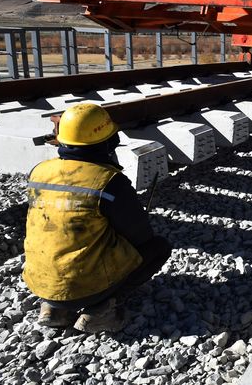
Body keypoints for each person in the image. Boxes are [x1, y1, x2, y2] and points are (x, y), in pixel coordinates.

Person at [24, 103, 172, 333]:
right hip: (85, 287)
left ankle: (53, 308)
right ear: (107, 142)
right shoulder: (108, 181)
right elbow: (140, 236)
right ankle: (101, 310)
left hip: (39, 281)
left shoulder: (39, 171)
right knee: (158, 248)